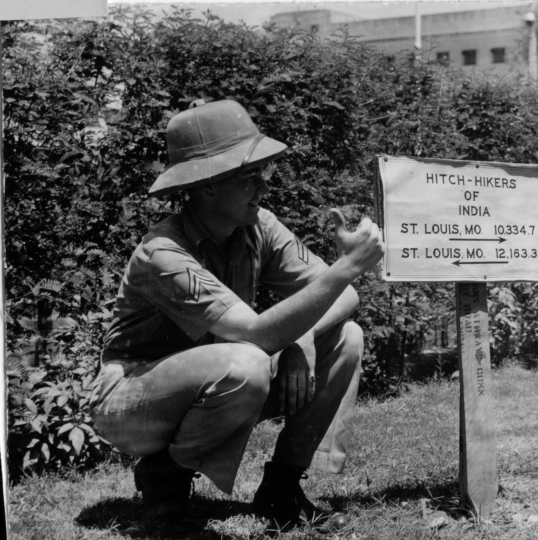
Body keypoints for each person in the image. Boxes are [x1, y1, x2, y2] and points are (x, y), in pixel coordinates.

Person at [89, 99, 384, 535]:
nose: (263, 188)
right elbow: (257, 334)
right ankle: (164, 488)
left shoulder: (258, 225)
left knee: (348, 338)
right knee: (247, 362)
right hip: (131, 401)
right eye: (250, 177)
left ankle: (282, 488)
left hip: (216, 380)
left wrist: (300, 338)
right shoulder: (163, 253)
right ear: (207, 186)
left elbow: (344, 298)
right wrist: (346, 266)